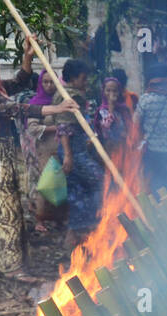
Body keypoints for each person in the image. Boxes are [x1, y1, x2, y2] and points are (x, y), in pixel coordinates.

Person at [0, 48, 76, 276]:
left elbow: (17, 82)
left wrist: (27, 56)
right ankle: (12, 268)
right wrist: (58, 108)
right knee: (6, 211)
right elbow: (19, 109)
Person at [57, 61, 104, 251]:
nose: (86, 82)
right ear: (74, 78)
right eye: (83, 78)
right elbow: (63, 128)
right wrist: (68, 155)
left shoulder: (72, 95)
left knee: (77, 191)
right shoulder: (68, 96)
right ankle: (89, 223)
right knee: (100, 180)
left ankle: (76, 233)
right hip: (73, 152)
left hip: (77, 150)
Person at [20, 68, 66, 232]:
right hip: (43, 150)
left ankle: (59, 218)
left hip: (59, 149)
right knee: (44, 184)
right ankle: (40, 219)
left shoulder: (61, 101)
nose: (49, 85)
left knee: (59, 184)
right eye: (45, 82)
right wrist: (56, 128)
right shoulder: (36, 103)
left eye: (52, 82)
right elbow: (32, 128)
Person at [134, 63, 167, 194]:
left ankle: (156, 213)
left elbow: (136, 123)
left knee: (155, 190)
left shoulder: (145, 99)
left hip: (153, 154)